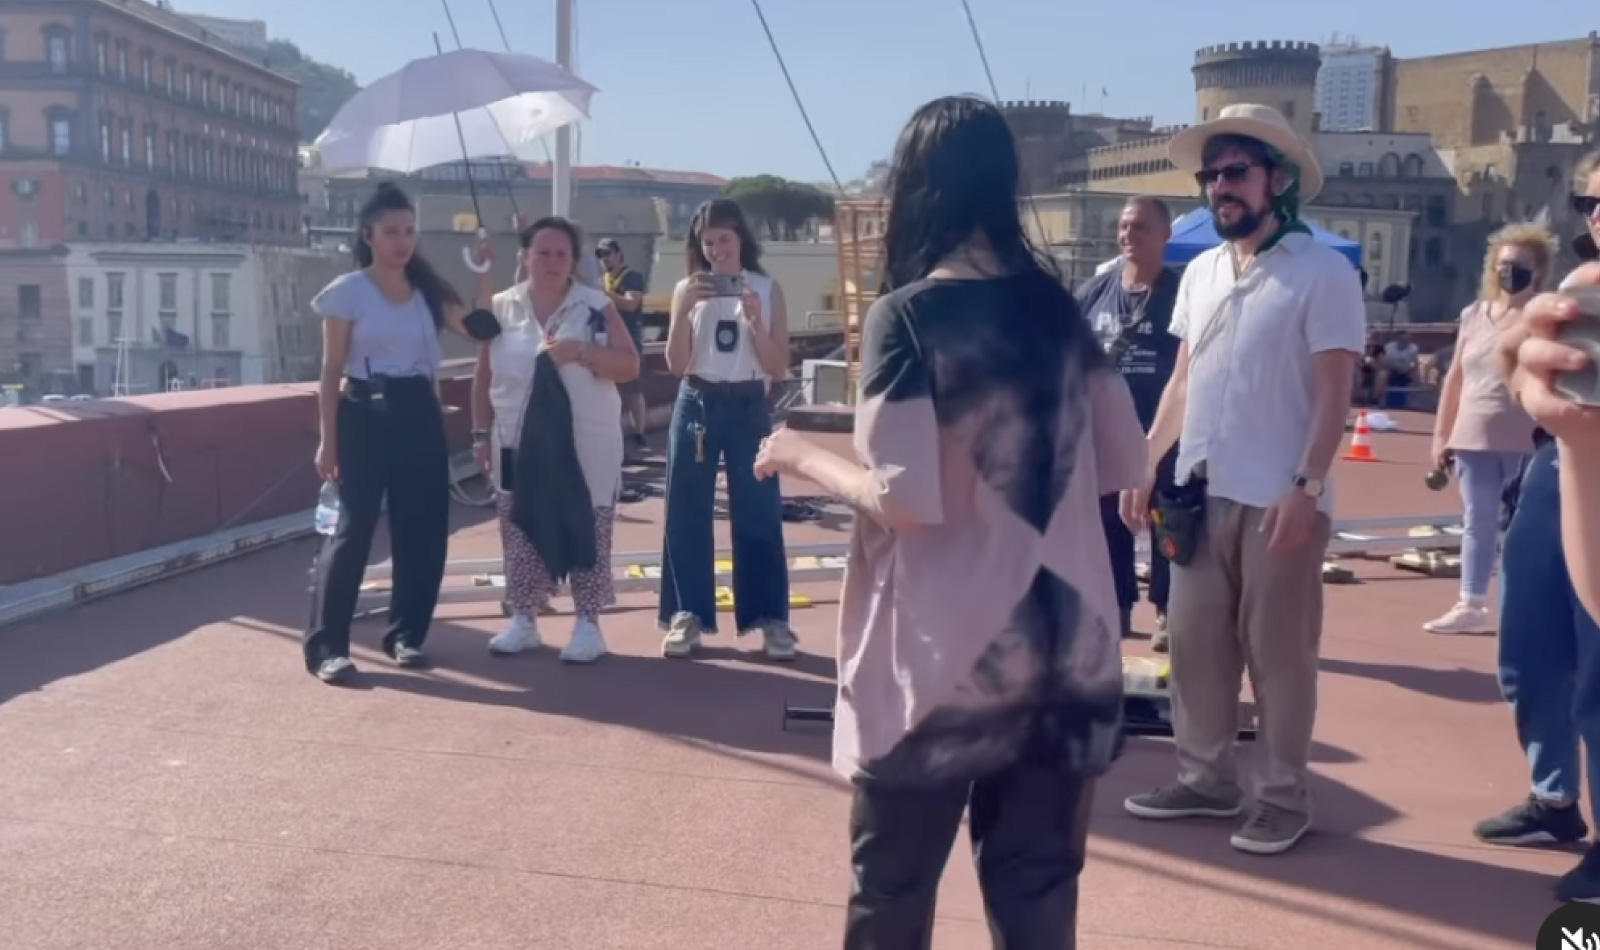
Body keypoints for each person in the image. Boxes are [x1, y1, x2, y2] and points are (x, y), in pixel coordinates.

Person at [754, 95, 1145, 948]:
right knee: (1037, 900)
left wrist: (796, 453)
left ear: (915, 190)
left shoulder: (908, 316)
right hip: (1067, 656)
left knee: (891, 895)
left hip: (940, 666)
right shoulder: (1061, 312)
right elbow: (1129, 464)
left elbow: (903, 500)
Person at [1118, 104, 1365, 855]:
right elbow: (1183, 383)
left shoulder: (1322, 274)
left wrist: (1309, 485)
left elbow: (1334, 391)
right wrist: (1146, 459)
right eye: (1211, 175)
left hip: (1278, 498)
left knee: (1280, 657)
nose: (1220, 187)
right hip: (1199, 490)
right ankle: (1206, 778)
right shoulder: (1200, 272)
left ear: (1277, 181)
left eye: (1235, 173)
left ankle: (1283, 796)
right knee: (1194, 649)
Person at [304, 182, 499, 685]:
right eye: (391, 231)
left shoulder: (428, 291)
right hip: (364, 413)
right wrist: (327, 439)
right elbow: (330, 371)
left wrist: (482, 273)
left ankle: (407, 634)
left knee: (424, 531)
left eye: (409, 231)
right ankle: (329, 647)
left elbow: (480, 329)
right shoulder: (348, 291)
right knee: (352, 531)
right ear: (368, 235)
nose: (402, 241)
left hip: (418, 412)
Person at [1473, 149, 1600, 903]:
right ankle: (1555, 799)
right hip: (1558, 468)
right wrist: (1523, 359)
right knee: (1529, 648)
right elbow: (1508, 364)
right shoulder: (1579, 297)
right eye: (1590, 203)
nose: (1599, 217)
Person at [470, 218, 640, 663]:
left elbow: (629, 365)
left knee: (587, 523)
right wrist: (477, 435)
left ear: (573, 260)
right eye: (542, 252)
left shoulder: (595, 305)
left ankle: (588, 623)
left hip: (588, 439)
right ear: (525, 256)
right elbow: (483, 376)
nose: (551, 262)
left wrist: (580, 352)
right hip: (514, 438)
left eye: (561, 254)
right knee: (519, 524)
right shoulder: (501, 307)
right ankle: (523, 618)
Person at [658, 198, 795, 661]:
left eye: (725, 240)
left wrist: (756, 321)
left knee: (758, 510)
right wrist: (682, 314)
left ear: (741, 241)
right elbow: (676, 364)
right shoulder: (685, 289)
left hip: (749, 404)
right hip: (697, 399)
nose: (717, 250)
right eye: (708, 241)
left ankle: (770, 618)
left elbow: (778, 365)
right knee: (686, 510)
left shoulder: (766, 288)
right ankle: (687, 614)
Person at [1423, 224, 1551, 635]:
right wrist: (1442, 436)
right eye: (1504, 264)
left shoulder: (1544, 314)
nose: (1510, 272)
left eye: (1520, 266)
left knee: (1522, 526)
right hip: (1472, 432)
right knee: (1477, 519)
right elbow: (1455, 378)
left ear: (1538, 269)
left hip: (1526, 434)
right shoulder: (1474, 315)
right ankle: (1471, 603)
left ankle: (1521, 608)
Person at [1074, 196, 1181, 649]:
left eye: (1139, 228)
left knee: (1167, 522)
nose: (1128, 236)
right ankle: (1113, 606)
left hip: (1166, 434)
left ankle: (1169, 613)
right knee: (1105, 523)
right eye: (1123, 227)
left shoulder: (1181, 295)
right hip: (1104, 437)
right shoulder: (1093, 293)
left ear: (1164, 236)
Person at [597, 237, 650, 458]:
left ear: (619, 255)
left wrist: (603, 294)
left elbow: (631, 303)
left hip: (630, 338)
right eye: (601, 256)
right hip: (606, 340)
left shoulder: (632, 277)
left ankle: (640, 434)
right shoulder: (604, 279)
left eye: (608, 254)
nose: (605, 260)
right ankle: (613, 435)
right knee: (609, 389)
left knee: (633, 389)